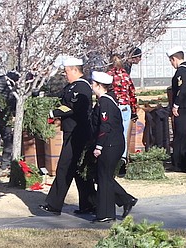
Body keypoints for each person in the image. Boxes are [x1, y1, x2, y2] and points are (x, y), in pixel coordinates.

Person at [39, 57, 96, 216]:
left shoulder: (82, 87)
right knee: (78, 169)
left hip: (79, 133)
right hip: (71, 131)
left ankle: (54, 204)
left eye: (66, 71)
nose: (65, 75)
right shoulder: (72, 86)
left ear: (74, 70)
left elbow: (72, 107)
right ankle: (89, 204)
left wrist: (53, 113)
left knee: (64, 167)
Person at [89, 71, 137, 223]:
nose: (91, 86)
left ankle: (106, 213)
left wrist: (99, 147)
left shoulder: (105, 102)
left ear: (99, 86)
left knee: (104, 178)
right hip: (112, 143)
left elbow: (105, 126)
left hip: (110, 144)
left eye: (93, 84)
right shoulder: (106, 100)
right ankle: (126, 200)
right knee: (103, 177)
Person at [167, 46, 186, 173]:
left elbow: (182, 89)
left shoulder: (181, 72)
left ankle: (181, 163)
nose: (171, 64)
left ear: (174, 59)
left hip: (184, 108)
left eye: (171, 61)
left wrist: (176, 104)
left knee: (181, 136)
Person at [107, 54, 138, 174]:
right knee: (124, 135)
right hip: (125, 107)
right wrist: (134, 111)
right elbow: (132, 94)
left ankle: (112, 160)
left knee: (111, 134)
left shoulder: (108, 76)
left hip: (112, 107)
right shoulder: (126, 76)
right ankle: (122, 161)